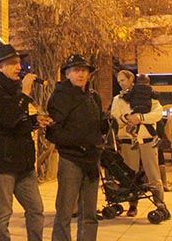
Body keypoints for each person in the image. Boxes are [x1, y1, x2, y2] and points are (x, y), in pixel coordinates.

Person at [0, 44, 51, 241]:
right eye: (12, 63)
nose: (18, 67)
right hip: (3, 162)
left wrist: (35, 121)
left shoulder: (16, 90)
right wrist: (25, 93)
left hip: (24, 163)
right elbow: (9, 118)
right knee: (3, 211)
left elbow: (21, 120)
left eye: (19, 63)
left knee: (36, 209)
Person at [46, 54, 108, 241]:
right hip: (70, 158)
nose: (81, 74)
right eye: (76, 70)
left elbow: (100, 126)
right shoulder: (60, 97)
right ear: (67, 74)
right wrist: (77, 142)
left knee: (89, 212)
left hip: (92, 158)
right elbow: (53, 131)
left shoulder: (93, 96)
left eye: (84, 71)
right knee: (65, 211)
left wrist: (106, 123)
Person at [110, 70, 167, 218]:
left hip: (147, 140)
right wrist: (127, 118)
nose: (120, 83)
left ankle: (160, 204)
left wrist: (141, 118)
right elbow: (115, 116)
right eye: (118, 81)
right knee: (131, 175)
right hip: (128, 141)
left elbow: (157, 113)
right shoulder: (119, 99)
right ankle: (132, 204)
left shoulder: (148, 95)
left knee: (153, 174)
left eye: (123, 80)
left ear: (131, 80)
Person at [121, 74, 160, 148]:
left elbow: (128, 97)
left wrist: (123, 95)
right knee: (145, 123)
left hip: (137, 108)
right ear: (147, 82)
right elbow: (155, 96)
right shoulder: (149, 89)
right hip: (146, 108)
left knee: (134, 120)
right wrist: (156, 92)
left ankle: (135, 136)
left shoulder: (134, 88)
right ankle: (155, 136)